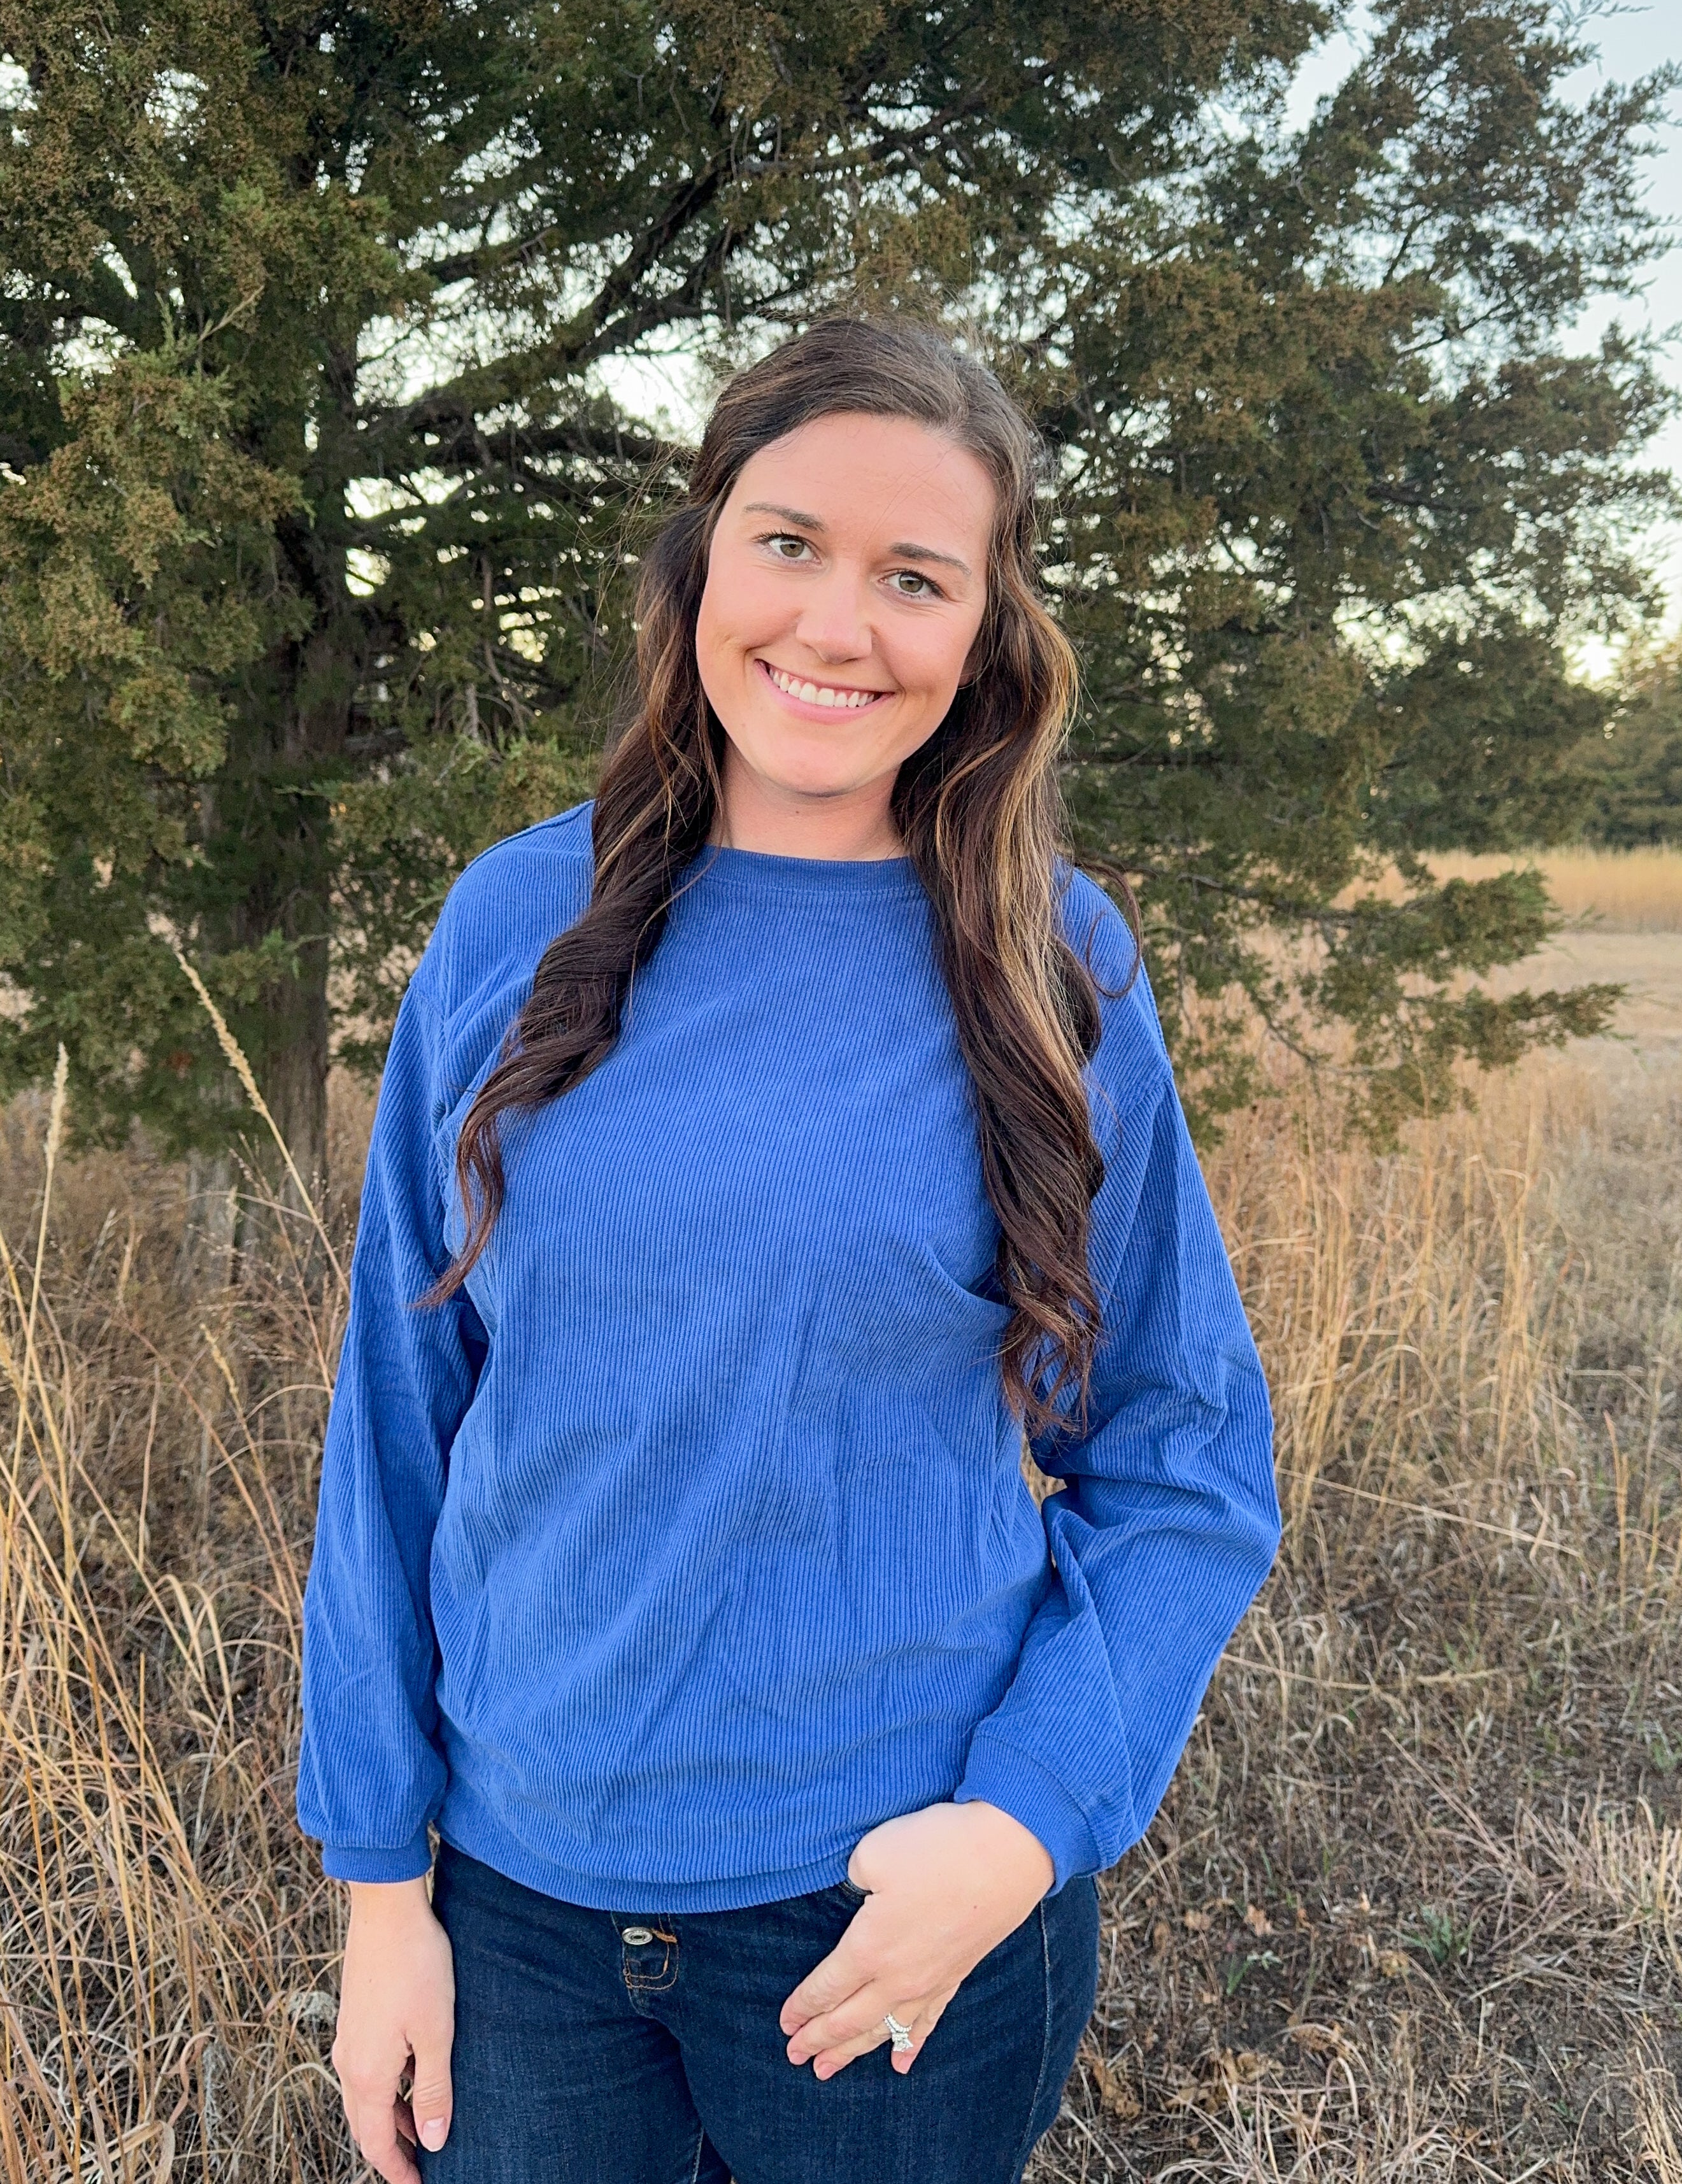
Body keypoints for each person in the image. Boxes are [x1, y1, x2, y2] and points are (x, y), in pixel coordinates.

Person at [297, 316, 1280, 2184]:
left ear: (984, 634)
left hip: (887, 1912)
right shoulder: (514, 916)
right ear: (696, 568)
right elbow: (398, 1421)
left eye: (914, 578)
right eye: (788, 544)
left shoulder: (1050, 962)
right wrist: (379, 1886)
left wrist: (1017, 1829)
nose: (836, 625)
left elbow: (1179, 1456)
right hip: (516, 1910)